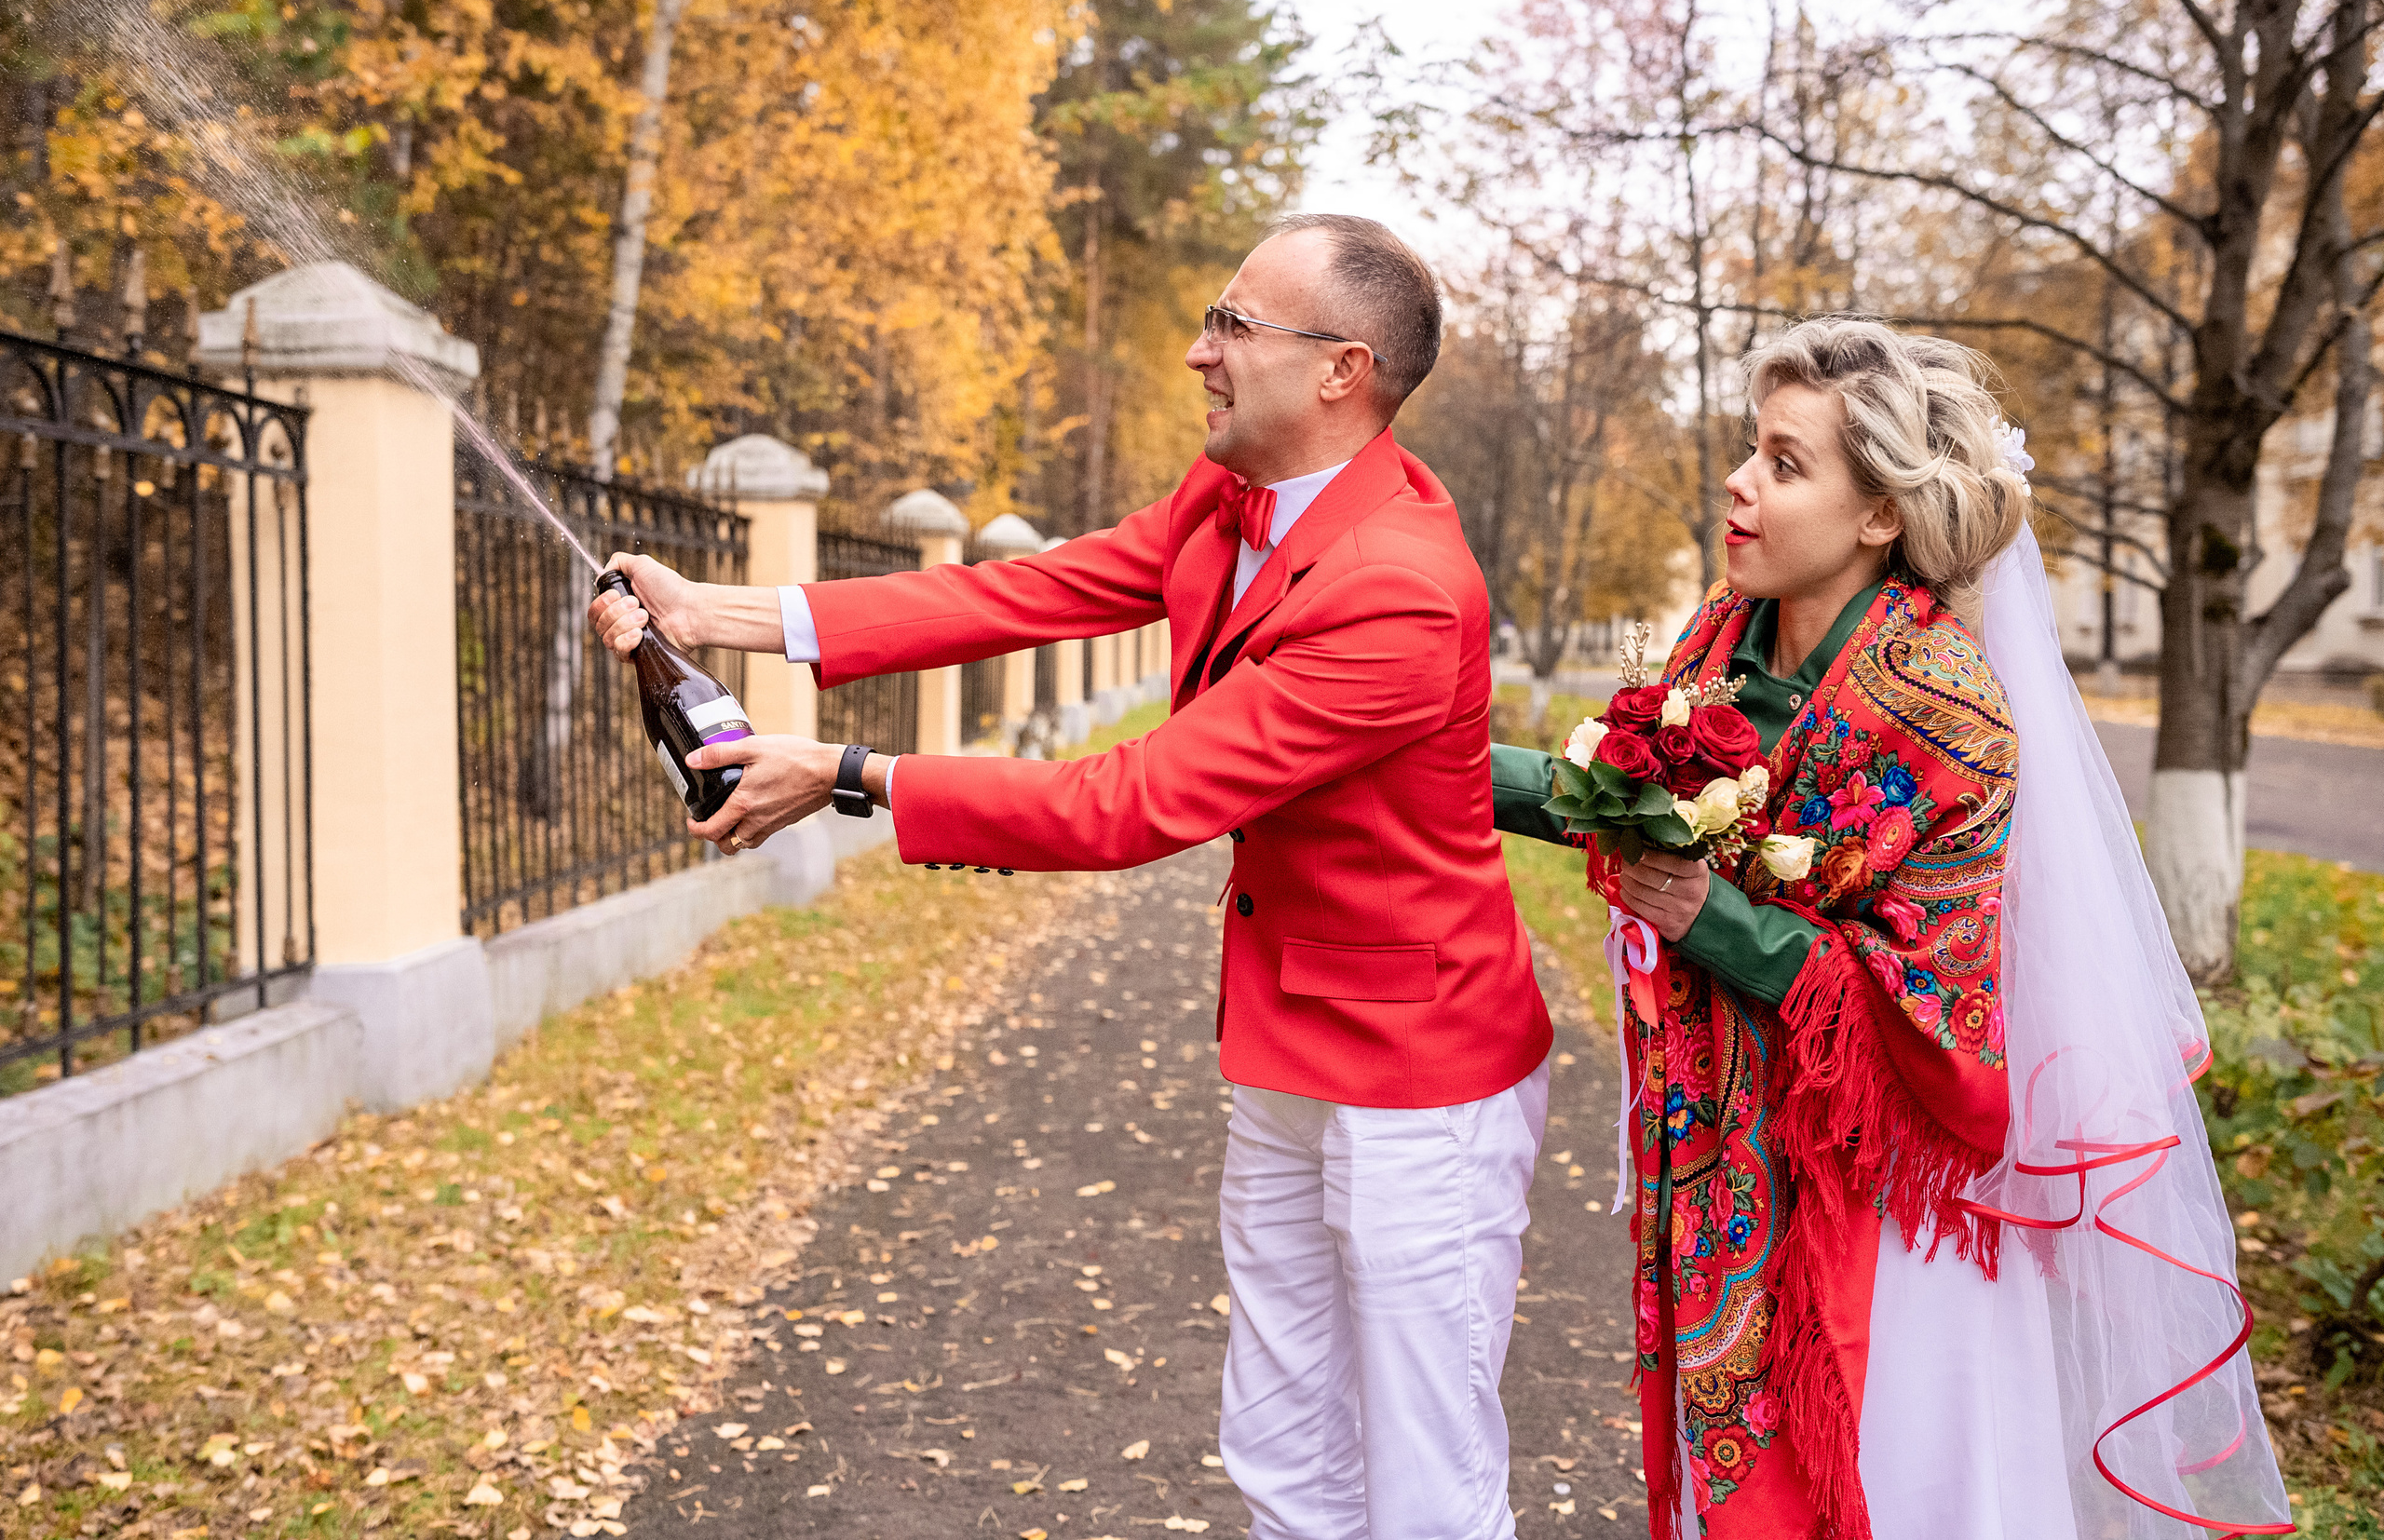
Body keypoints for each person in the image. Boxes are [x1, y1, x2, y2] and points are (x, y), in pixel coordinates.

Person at [589, 214, 1555, 1540]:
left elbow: (1137, 800)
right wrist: (718, 615)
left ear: (1344, 369)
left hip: (1422, 1079)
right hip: (1286, 1040)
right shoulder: (1228, 501)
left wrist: (852, 775)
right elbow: (1028, 592)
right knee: (1280, 1444)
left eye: (1233, 325)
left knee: (1426, 1474)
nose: (1198, 351)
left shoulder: (1404, 586)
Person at [1492, 317, 2287, 1540]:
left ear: (1879, 517)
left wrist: (1715, 921)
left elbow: (1943, 1015)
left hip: (1892, 1218)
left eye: (1785, 462)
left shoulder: (1948, 715)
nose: (1742, 485)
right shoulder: (1717, 639)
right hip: (1719, 1160)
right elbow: (1635, 805)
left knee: (1894, 1484)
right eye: (1750, 450)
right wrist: (1425, 755)